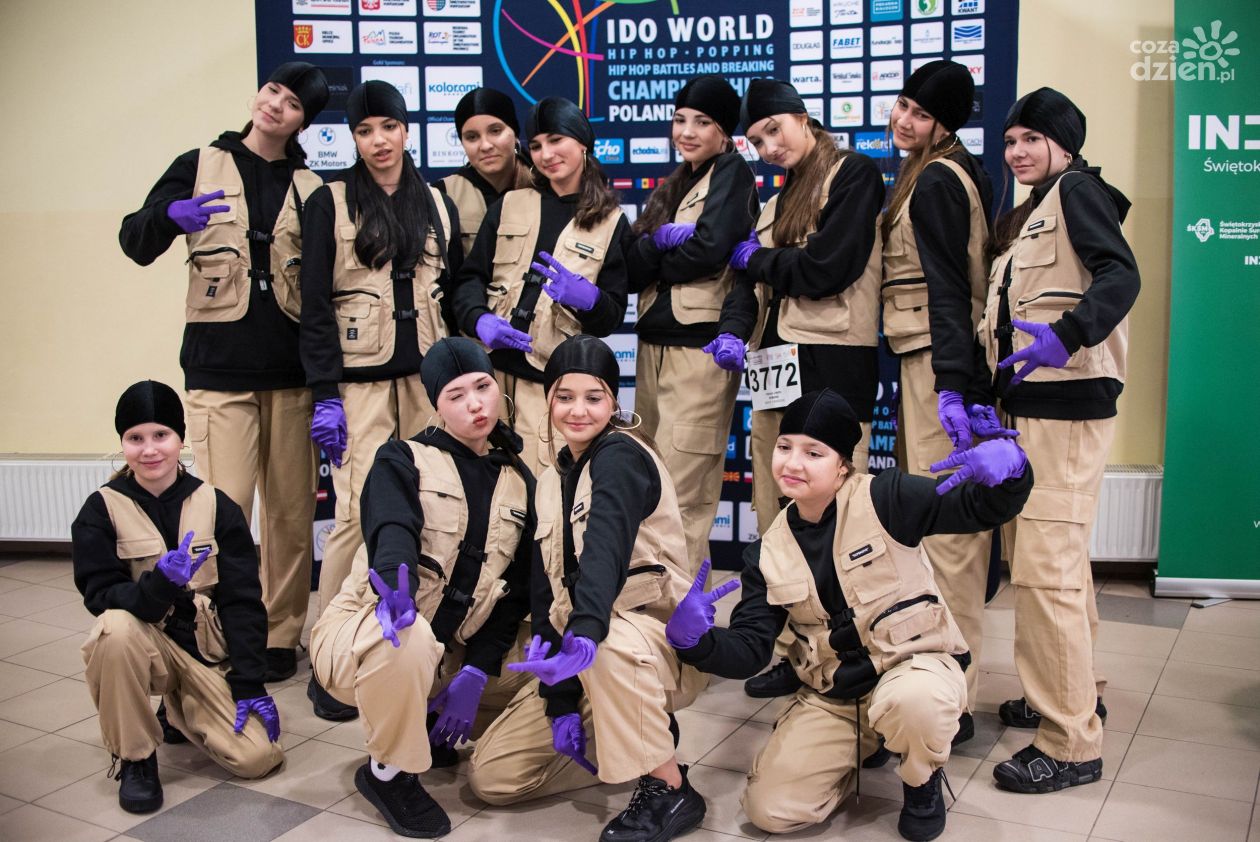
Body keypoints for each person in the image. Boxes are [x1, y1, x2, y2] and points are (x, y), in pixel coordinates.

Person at [667, 389, 1031, 840]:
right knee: (769, 811)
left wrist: (1015, 470)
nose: (792, 463)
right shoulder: (767, 552)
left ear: (843, 463)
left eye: (813, 452)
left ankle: (921, 779)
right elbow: (750, 649)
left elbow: (979, 508)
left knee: (914, 703)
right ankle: (864, 745)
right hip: (837, 697)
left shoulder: (887, 497)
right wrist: (696, 642)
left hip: (913, 668)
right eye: (784, 447)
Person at [118, 63, 330, 683]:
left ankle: (280, 635)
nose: (276, 105)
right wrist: (170, 217)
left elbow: (323, 290)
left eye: (292, 103)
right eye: (273, 91)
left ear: (303, 122)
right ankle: (221, 628)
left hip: (290, 377)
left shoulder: (312, 186)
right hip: (219, 373)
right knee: (222, 512)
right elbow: (134, 240)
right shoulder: (199, 164)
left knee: (290, 517)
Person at [468, 335, 707, 842]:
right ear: (548, 400)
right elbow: (545, 597)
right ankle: (633, 733)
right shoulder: (551, 478)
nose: (578, 410)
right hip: (585, 650)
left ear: (614, 402)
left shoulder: (621, 455)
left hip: (649, 647)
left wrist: (586, 634)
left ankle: (668, 786)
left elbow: (604, 551)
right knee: (494, 779)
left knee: (610, 644)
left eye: (593, 397)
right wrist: (559, 703)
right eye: (565, 396)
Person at [978, 87, 1139, 793]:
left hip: (1065, 412)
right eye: (1011, 140)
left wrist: (1068, 335)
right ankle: (1079, 692)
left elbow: (1121, 274)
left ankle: (1071, 743)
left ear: (1064, 144)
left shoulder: (1076, 191)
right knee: (1057, 568)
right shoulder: (1036, 208)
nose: (1017, 152)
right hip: (1034, 411)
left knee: (1045, 576)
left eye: (1031, 139)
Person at [308, 338, 534, 838]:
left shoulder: (520, 480)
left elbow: (515, 591)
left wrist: (476, 670)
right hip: (372, 630)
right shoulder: (401, 458)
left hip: (449, 652)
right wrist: (397, 588)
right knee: (408, 638)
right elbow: (393, 529)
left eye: (482, 387)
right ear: (436, 405)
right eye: (456, 395)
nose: (475, 404)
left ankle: (435, 721)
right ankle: (388, 773)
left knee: (543, 660)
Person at [713, 78, 885, 699]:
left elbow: (827, 267)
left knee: (841, 522)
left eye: (774, 131)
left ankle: (856, 656)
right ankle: (794, 652)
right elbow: (755, 283)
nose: (768, 148)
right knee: (777, 517)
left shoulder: (852, 173)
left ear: (801, 117)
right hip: (773, 368)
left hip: (832, 363)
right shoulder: (776, 199)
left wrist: (755, 260)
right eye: (757, 141)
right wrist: (734, 327)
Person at [299, 80, 463, 720]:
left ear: (405, 129)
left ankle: (419, 642)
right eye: (364, 131)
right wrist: (324, 394)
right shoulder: (330, 201)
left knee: (430, 507)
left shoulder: (436, 202)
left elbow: (451, 295)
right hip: (359, 387)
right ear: (353, 138)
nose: (378, 141)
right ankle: (331, 656)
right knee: (353, 516)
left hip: (427, 383)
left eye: (388, 127)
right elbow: (315, 306)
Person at [72, 381, 283, 814]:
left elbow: (243, 600)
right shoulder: (101, 509)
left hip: (205, 653)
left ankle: (176, 712)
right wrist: (159, 584)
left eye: (161, 435)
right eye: (135, 438)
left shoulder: (217, 505)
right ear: (122, 443)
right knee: (113, 629)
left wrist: (249, 680)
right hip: (143, 645)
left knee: (258, 758)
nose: (149, 449)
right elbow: (99, 594)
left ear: (181, 439)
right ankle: (136, 758)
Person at [880, 60, 994, 739]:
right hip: (925, 358)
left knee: (950, 537)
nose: (904, 119)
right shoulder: (931, 170)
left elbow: (950, 289)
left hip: (937, 362)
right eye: (903, 104)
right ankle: (947, 684)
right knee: (941, 529)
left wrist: (951, 382)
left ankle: (956, 698)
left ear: (944, 125)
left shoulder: (938, 180)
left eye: (920, 114)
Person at [452, 97, 629, 479]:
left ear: (583, 143)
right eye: (535, 145)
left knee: (546, 493)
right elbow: (469, 279)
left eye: (556, 140)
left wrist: (590, 300)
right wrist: (478, 319)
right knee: (487, 491)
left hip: (551, 387)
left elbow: (612, 315)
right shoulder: (510, 204)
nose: (546, 154)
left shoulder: (611, 220)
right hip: (490, 381)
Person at [625, 75, 758, 575]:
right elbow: (630, 264)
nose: (686, 131)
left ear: (724, 132)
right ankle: (649, 609)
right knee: (649, 489)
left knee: (682, 496)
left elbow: (709, 250)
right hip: (653, 344)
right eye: (680, 119)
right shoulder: (676, 181)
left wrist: (657, 256)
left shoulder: (732, 172)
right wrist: (657, 245)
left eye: (702, 122)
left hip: (698, 350)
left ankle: (682, 617)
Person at [438, 87, 533, 256]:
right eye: (472, 137)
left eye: (495, 131)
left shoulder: (543, 184)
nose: (485, 145)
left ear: (515, 134)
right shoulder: (443, 194)